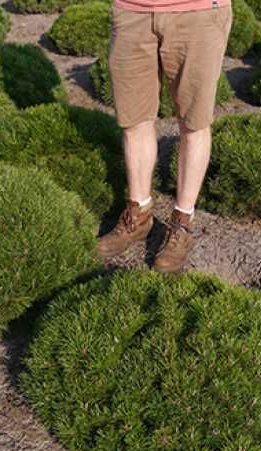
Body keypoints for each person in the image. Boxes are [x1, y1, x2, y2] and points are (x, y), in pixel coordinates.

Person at [97, 0, 233, 273]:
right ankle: (138, 216)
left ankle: (182, 222)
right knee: (134, 119)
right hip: (132, 11)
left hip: (197, 12)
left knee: (194, 123)